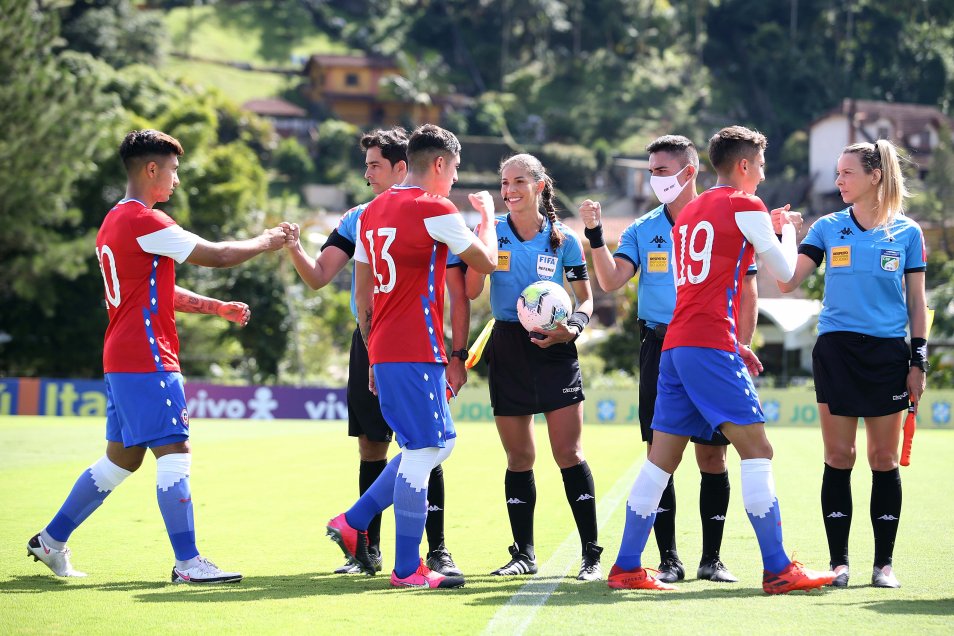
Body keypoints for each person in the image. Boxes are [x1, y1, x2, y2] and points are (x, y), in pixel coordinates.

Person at [27, 129, 292, 583]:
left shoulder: (114, 220)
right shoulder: (146, 221)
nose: (176, 179)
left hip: (121, 354)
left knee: (120, 460)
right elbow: (220, 255)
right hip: (148, 357)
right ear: (151, 169)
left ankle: (50, 541)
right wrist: (266, 241)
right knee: (175, 452)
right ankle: (188, 563)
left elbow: (155, 290)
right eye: (172, 169)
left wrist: (215, 308)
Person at [607, 125, 835, 594]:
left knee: (659, 461)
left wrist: (764, 229)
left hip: (675, 345)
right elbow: (788, 277)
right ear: (746, 165)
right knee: (758, 451)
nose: (763, 175)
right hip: (710, 344)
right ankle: (777, 569)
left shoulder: (690, 213)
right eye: (762, 166)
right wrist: (789, 234)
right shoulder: (743, 204)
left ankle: (627, 565)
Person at [579, 134, 767, 583]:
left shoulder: (729, 213)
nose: (654, 180)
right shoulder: (643, 228)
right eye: (651, 172)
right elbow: (609, 282)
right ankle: (668, 558)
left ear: (690, 170)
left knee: (713, 458)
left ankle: (712, 558)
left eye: (662, 171)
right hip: (659, 345)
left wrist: (740, 343)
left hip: (712, 346)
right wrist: (593, 237)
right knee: (661, 454)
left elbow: (748, 292)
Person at [286, 127, 466, 576]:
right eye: (365, 165)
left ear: (403, 167)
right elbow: (323, 277)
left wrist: (457, 352)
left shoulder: (429, 214)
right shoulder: (360, 217)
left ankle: (433, 548)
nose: (366, 175)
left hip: (400, 343)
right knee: (392, 446)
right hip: (380, 342)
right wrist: (293, 247)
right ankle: (369, 547)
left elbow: (458, 286)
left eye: (374, 165)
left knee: (426, 444)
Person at [325, 124, 497, 589]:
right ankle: (404, 567)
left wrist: (375, 353)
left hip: (384, 345)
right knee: (427, 449)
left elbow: (363, 296)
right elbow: (485, 263)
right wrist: (487, 217)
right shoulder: (434, 207)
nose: (456, 180)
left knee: (430, 446)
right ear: (438, 164)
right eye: (455, 168)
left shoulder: (372, 210)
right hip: (415, 345)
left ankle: (355, 521)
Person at [777, 139, 927, 589]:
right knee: (839, 456)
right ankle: (839, 563)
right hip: (837, 351)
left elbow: (918, 304)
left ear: (875, 176)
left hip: (887, 354)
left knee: (883, 459)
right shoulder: (826, 228)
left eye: (847, 173)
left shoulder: (907, 233)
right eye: (838, 173)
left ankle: (883, 565)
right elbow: (786, 281)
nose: (838, 180)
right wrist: (782, 233)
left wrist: (917, 360)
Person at [464, 153, 603, 581]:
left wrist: (573, 329)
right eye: (504, 183)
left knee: (568, 453)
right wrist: (482, 234)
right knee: (519, 455)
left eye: (519, 181)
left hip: (556, 348)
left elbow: (586, 300)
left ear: (540, 185)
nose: (509, 191)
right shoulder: (492, 234)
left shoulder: (564, 239)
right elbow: (470, 291)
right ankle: (523, 554)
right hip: (507, 344)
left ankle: (590, 556)